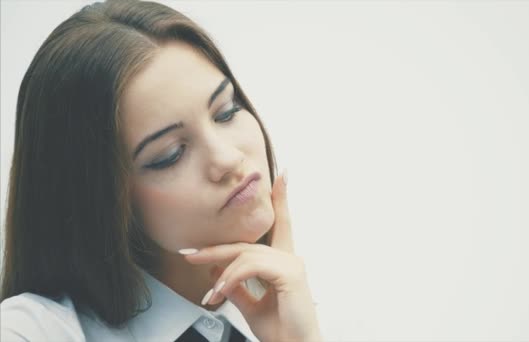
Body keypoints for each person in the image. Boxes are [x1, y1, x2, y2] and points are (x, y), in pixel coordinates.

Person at [0, 0, 322, 341]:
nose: (227, 159)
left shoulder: (280, 311)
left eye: (226, 112)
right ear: (99, 200)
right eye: (170, 154)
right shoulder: (32, 331)